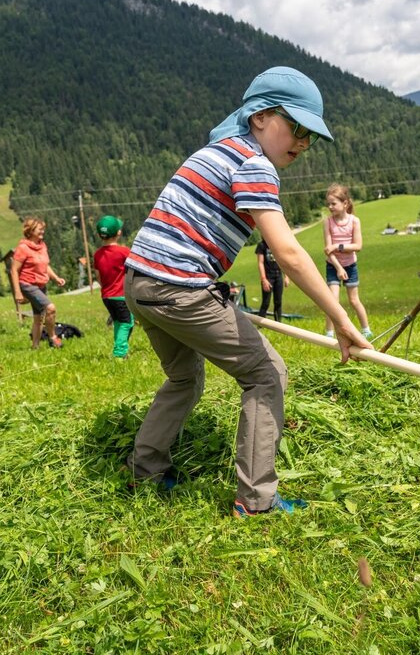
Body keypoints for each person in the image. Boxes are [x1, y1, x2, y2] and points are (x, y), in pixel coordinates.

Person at [123, 65, 372, 517]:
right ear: (259, 117)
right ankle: (256, 501)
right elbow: (290, 255)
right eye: (295, 127)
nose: (302, 142)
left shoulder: (216, 151)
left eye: (310, 135)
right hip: (179, 289)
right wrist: (340, 319)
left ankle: (145, 470)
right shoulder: (254, 165)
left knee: (184, 377)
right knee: (266, 375)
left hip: (140, 283)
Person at [322, 183, 372, 339]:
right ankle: (329, 333)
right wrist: (338, 267)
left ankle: (366, 329)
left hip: (350, 266)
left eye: (333, 203)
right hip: (333, 266)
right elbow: (328, 250)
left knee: (354, 300)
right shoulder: (327, 222)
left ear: (345, 204)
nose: (330, 207)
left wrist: (339, 246)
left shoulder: (354, 221)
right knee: (332, 300)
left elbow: (358, 246)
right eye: (328, 204)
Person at [11, 217, 67, 349]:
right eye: (39, 228)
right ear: (30, 230)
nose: (42, 231)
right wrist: (18, 292)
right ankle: (53, 337)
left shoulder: (42, 245)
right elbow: (14, 270)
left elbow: (45, 265)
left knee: (38, 318)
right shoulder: (23, 248)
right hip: (28, 284)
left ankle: (35, 346)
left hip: (41, 285)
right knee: (50, 308)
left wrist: (55, 278)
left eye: (43, 228)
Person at [93, 214, 133, 358]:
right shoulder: (124, 252)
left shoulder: (97, 255)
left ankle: (120, 348)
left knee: (118, 321)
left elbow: (98, 277)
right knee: (127, 323)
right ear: (118, 233)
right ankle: (119, 353)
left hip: (107, 296)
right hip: (121, 295)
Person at [255, 237, 288, 322]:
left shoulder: (277, 244)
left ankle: (278, 323)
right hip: (268, 277)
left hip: (278, 276)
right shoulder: (261, 245)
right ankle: (260, 323)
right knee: (266, 302)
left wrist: (286, 276)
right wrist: (264, 279)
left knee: (278, 301)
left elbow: (282, 261)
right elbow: (260, 263)